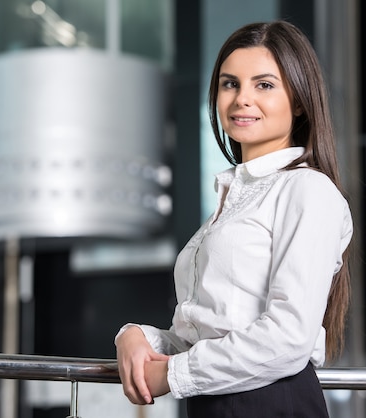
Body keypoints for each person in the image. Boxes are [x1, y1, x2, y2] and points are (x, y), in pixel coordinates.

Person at [115, 20, 352, 418]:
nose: (242, 99)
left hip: (271, 403)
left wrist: (172, 374)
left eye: (264, 85)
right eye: (230, 84)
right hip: (215, 403)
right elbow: (211, 332)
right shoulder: (232, 202)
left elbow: (288, 338)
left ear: (298, 100)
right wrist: (137, 337)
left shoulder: (308, 190)